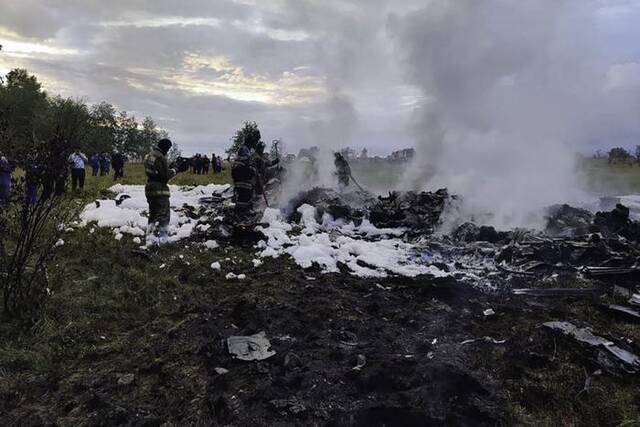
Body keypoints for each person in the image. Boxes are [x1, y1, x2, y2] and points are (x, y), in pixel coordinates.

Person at [144, 138, 178, 243]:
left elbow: (155, 171)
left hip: (149, 187)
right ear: (166, 147)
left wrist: (168, 168)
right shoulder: (160, 157)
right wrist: (175, 170)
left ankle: (149, 236)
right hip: (159, 189)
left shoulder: (149, 155)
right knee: (163, 215)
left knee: (153, 214)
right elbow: (164, 176)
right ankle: (160, 239)